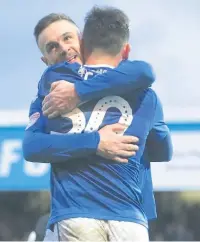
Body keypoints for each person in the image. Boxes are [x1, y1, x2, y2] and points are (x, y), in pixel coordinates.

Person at [24, 7, 173, 241]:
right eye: (52, 47)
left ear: (83, 39)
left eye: (67, 38)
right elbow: (31, 147)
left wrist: (78, 92)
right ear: (46, 60)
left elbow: (144, 71)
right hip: (106, 215)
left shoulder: (130, 78)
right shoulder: (49, 94)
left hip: (113, 212)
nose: (63, 48)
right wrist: (96, 142)